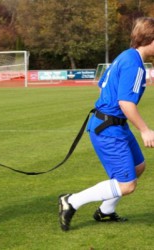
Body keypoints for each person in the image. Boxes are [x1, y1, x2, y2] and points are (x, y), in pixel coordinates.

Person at [58, 17, 154, 231]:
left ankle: (105, 212)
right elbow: (126, 102)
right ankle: (71, 201)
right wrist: (145, 130)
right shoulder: (134, 65)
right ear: (150, 39)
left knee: (138, 167)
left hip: (114, 125)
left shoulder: (126, 56)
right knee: (127, 185)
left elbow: (102, 86)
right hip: (109, 129)